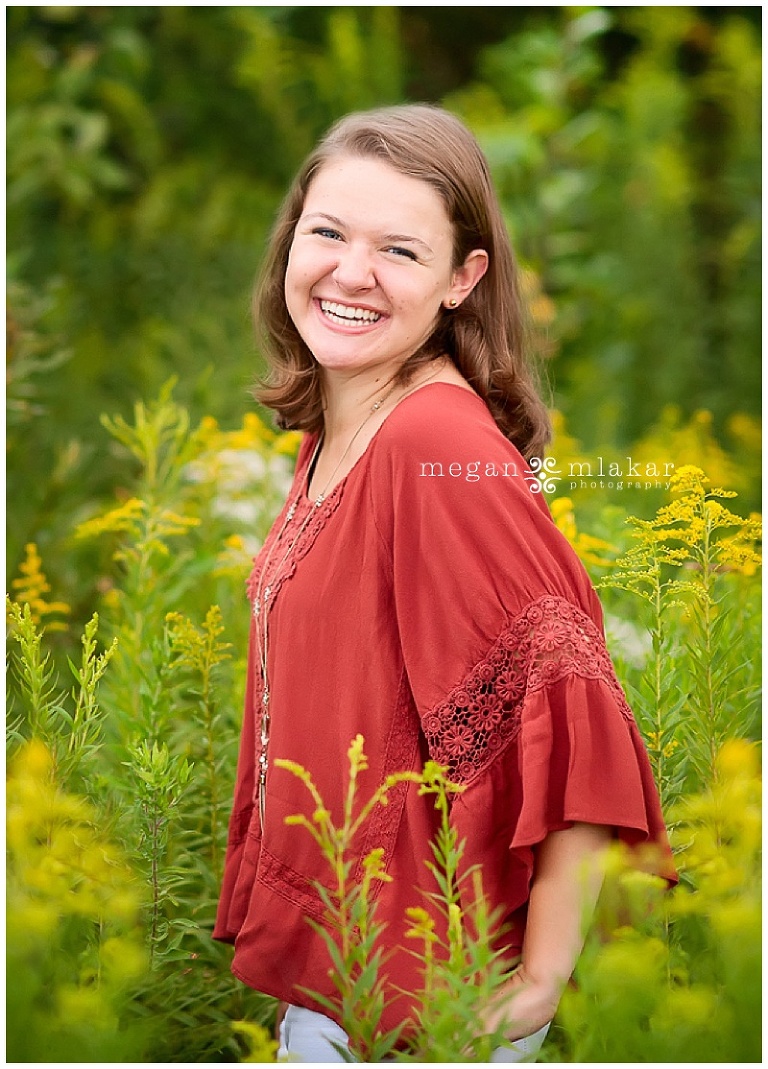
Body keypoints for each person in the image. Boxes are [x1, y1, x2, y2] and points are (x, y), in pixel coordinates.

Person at [213, 104, 677, 1062]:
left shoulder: (431, 443)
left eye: (399, 250)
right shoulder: (339, 428)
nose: (350, 272)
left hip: (432, 1008)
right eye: (328, 232)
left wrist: (539, 983)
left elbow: (573, 704)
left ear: (463, 280)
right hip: (351, 977)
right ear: (292, 236)